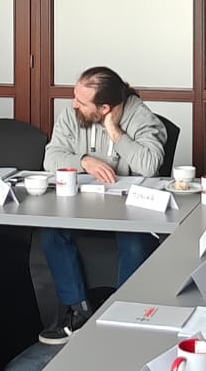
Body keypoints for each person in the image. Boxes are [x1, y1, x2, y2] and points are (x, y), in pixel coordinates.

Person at [37, 67, 170, 345]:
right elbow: (50, 159)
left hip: (129, 210)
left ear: (104, 108)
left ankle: (124, 320)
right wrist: (84, 161)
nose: (74, 104)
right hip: (81, 205)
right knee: (51, 232)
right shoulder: (72, 115)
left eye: (81, 102)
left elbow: (149, 165)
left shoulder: (141, 116)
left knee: (135, 241)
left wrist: (114, 131)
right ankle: (78, 311)